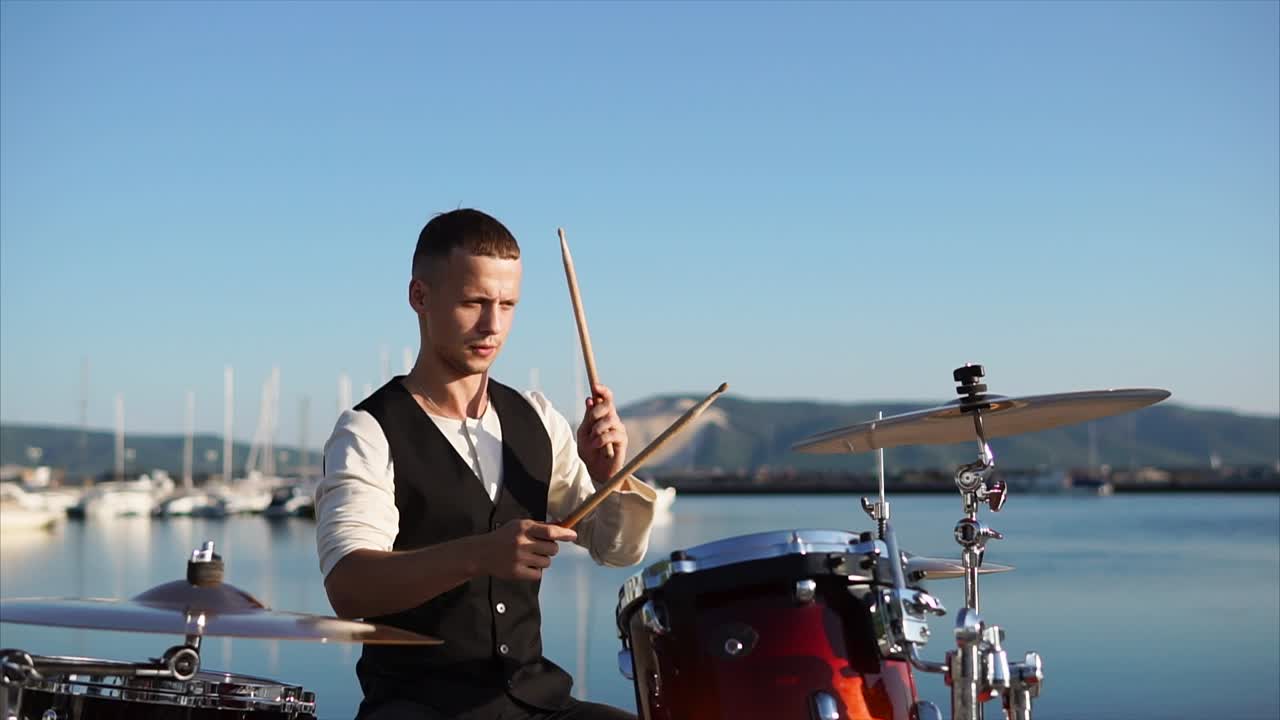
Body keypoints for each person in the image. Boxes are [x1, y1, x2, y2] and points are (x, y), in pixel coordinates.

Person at [314, 208, 658, 720]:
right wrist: (480, 555)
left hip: (537, 700)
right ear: (420, 298)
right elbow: (348, 586)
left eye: (507, 304)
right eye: (473, 302)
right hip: (419, 707)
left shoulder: (537, 419)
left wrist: (611, 477)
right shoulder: (369, 430)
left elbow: (614, 551)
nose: (492, 325)